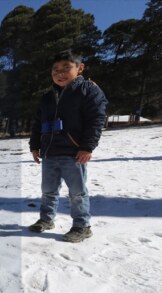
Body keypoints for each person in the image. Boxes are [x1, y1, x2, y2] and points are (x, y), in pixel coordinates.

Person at [28, 50, 108, 243]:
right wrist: (35, 145)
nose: (60, 73)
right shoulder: (48, 96)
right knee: (48, 190)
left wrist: (87, 147)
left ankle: (82, 226)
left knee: (77, 193)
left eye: (66, 68)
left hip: (74, 153)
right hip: (49, 152)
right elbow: (38, 123)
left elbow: (96, 119)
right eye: (55, 69)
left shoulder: (88, 90)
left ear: (80, 68)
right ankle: (46, 219)